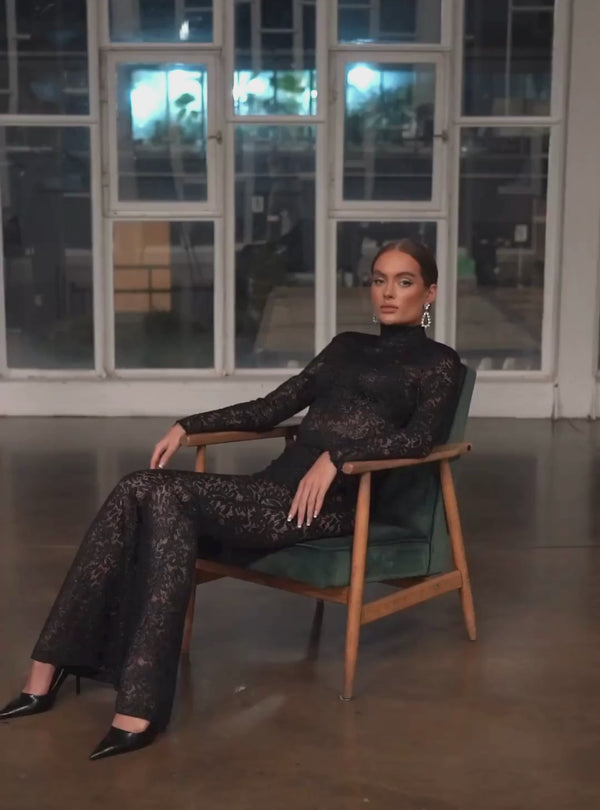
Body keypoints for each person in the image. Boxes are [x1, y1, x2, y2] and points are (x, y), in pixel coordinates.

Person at [0, 239, 462, 760]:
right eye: (379, 280)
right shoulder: (345, 346)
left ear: (429, 292)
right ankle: (70, 675)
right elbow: (271, 408)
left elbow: (419, 440)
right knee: (139, 486)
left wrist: (338, 456)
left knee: (160, 495)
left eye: (404, 281)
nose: (389, 292)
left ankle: (108, 695)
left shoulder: (439, 363)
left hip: (328, 504)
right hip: (272, 488)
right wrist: (189, 425)